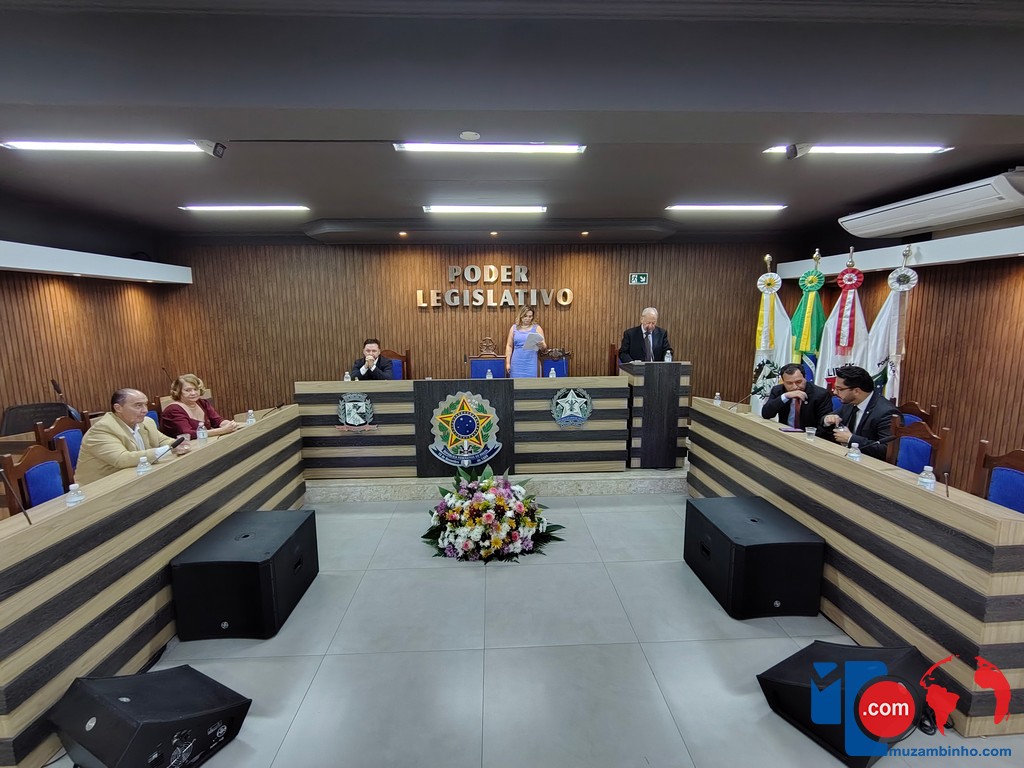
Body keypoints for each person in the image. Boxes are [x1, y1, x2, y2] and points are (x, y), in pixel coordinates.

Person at [77, 388, 191, 484]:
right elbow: (122, 459)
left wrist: (179, 445)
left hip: (136, 479)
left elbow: (162, 440)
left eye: (145, 404)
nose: (145, 410)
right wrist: (169, 450)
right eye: (138, 405)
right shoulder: (102, 430)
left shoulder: (146, 422)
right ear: (118, 408)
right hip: (102, 488)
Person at [821, 364, 899, 460]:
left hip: (869, 463)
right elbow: (828, 418)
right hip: (846, 458)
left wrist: (850, 439)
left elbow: (886, 450)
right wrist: (827, 419)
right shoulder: (850, 403)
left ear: (856, 391)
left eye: (839, 389)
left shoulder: (886, 412)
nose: (835, 392)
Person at [761, 363, 832, 436]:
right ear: (783, 382)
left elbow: (824, 426)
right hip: (785, 434)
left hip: (809, 437)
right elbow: (766, 414)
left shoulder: (820, 395)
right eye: (789, 383)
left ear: (805, 378)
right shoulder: (778, 391)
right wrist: (786, 396)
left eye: (798, 382)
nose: (795, 387)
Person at [160, 374, 238, 439]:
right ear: (178, 392)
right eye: (188, 390)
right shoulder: (173, 410)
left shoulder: (202, 403)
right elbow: (188, 434)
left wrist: (230, 425)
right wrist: (222, 431)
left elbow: (217, 420)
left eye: (196, 389)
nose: (193, 393)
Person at [505, 305, 547, 378]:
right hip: (516, 362)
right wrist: (508, 363)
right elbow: (509, 346)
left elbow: (544, 347)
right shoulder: (514, 328)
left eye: (530, 316)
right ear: (521, 315)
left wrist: (541, 345)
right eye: (525, 316)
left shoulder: (537, 328)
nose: (528, 319)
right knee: (516, 383)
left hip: (531, 362)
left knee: (530, 383)